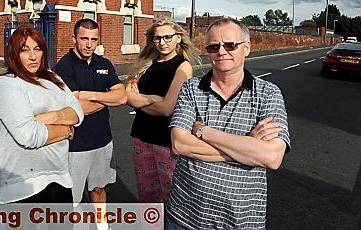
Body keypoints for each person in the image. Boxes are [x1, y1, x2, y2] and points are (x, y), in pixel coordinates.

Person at [166, 18, 291, 230]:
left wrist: (203, 131)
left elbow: (271, 157)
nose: (221, 51)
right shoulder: (190, 88)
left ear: (247, 48)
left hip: (239, 221)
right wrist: (249, 146)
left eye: (230, 45)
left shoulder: (268, 93)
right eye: (214, 47)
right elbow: (179, 144)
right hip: (183, 216)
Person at [0, 25, 84, 204]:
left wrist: (47, 118)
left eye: (37, 49)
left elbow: (77, 112)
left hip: (59, 175)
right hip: (21, 182)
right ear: (14, 54)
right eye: (25, 50)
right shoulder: (7, 84)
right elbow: (29, 135)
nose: (33, 57)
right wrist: (67, 131)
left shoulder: (52, 78)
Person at [54, 18, 126, 228]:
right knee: (73, 197)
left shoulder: (103, 64)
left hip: (103, 141)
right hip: (76, 145)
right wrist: (107, 98)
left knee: (99, 188)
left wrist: (91, 95)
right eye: (84, 38)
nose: (89, 44)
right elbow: (77, 108)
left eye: (94, 39)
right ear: (74, 38)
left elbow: (122, 97)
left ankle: (102, 226)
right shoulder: (63, 67)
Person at [125, 19, 198, 203]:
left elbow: (167, 109)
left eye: (167, 37)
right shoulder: (146, 63)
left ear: (178, 38)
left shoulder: (183, 66)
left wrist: (140, 100)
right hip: (141, 136)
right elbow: (128, 96)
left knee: (169, 195)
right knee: (147, 195)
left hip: (165, 140)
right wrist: (153, 99)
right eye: (157, 38)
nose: (162, 42)